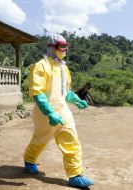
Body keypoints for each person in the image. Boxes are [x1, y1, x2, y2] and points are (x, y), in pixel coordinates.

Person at [23, 34, 94, 188]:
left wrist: (77, 100)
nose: (65, 50)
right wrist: (49, 113)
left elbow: (65, 91)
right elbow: (38, 92)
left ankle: (75, 174)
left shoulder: (64, 68)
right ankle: (29, 159)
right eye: (62, 47)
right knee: (40, 140)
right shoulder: (40, 66)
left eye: (66, 47)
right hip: (44, 114)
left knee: (72, 141)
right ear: (51, 47)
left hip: (63, 111)